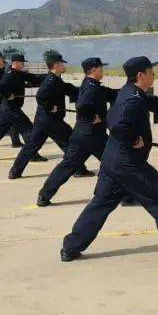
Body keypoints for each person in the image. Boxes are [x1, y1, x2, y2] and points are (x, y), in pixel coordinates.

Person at [60, 56, 158, 264]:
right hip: (128, 164)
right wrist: (133, 139)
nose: (154, 75)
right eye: (151, 71)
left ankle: (70, 247)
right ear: (141, 75)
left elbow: (157, 105)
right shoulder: (132, 99)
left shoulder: (130, 92)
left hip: (112, 161)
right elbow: (116, 123)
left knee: (100, 204)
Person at [36, 57, 113, 206]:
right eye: (101, 68)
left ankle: (44, 195)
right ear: (94, 70)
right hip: (93, 135)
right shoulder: (91, 87)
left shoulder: (89, 84)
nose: (103, 70)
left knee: (66, 166)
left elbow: (103, 93)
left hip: (81, 135)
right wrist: (90, 117)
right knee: (115, 163)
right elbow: (82, 105)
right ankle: (127, 195)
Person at [8, 51, 93, 180]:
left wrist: (86, 91)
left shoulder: (56, 80)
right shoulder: (50, 81)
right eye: (62, 64)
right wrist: (50, 107)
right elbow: (40, 96)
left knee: (31, 146)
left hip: (42, 120)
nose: (64, 66)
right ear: (56, 65)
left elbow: (69, 90)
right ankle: (79, 169)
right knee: (70, 143)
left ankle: (15, 171)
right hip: (51, 120)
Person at [0, 52, 42, 161]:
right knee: (27, 128)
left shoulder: (19, 73)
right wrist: (8, 95)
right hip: (10, 108)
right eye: (21, 63)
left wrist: (51, 77)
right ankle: (33, 155)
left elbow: (34, 78)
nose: (23, 65)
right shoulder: (10, 74)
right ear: (15, 63)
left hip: (6, 109)